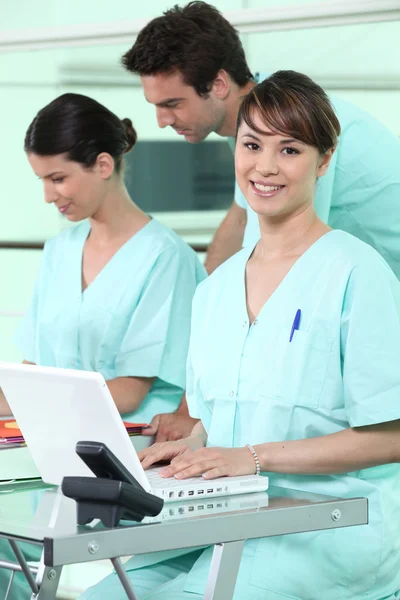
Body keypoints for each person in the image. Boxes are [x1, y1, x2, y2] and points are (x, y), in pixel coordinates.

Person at [82, 70, 400, 600]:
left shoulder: (356, 273)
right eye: (252, 145)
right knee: (105, 595)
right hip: (223, 514)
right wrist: (187, 450)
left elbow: (391, 438)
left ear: (324, 161)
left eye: (290, 149)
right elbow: (225, 414)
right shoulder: (217, 288)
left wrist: (252, 457)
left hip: (325, 528)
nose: (266, 166)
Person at [121, 0, 400, 442]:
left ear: (218, 84)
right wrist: (206, 303)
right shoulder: (261, 128)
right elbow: (235, 232)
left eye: (173, 102)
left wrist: (192, 413)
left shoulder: (298, 130)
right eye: (251, 147)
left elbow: (269, 265)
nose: (162, 119)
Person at [0, 92, 206, 599]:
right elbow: (33, 369)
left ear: (103, 164)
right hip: (47, 448)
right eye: (42, 181)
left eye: (58, 178)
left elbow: (131, 391)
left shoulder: (167, 258)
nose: (50, 196)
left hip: (126, 466)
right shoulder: (58, 250)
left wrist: (30, 407)